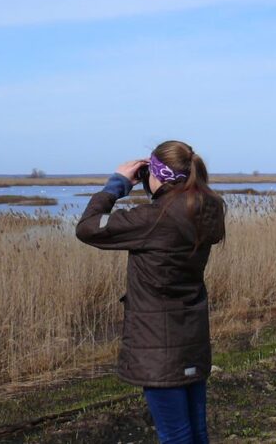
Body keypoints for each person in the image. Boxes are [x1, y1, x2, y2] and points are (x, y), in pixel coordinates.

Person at [77, 140, 226, 444]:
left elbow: (88, 227)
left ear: (158, 175)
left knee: (175, 436)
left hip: (158, 345)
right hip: (192, 338)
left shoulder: (152, 218)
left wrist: (116, 185)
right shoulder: (206, 210)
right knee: (196, 431)